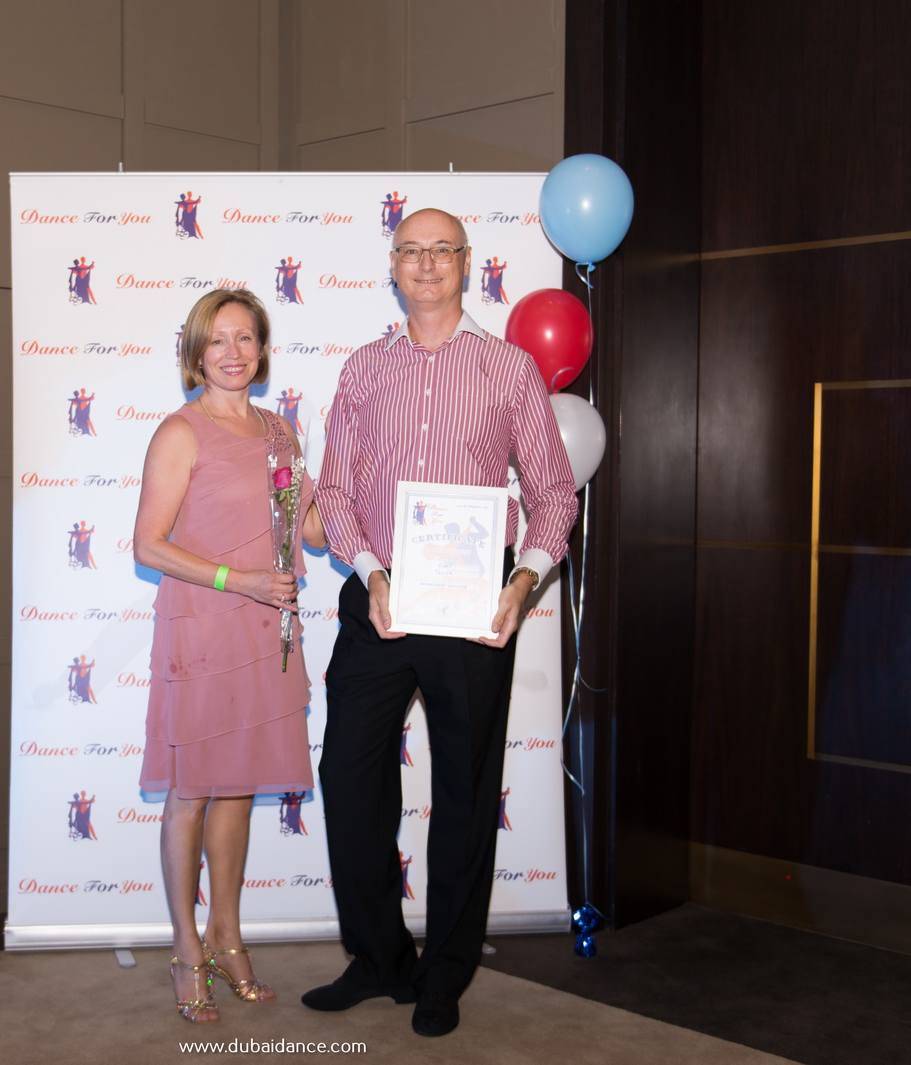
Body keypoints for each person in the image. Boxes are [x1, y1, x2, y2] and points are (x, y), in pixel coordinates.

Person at [304, 208, 579, 1037]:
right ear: (393, 265)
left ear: (466, 262)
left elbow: (554, 492)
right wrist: (371, 570)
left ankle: (444, 971)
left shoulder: (509, 369)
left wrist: (523, 581)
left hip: (473, 605)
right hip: (378, 596)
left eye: (442, 251)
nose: (426, 264)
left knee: (464, 787)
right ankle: (377, 957)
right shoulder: (364, 368)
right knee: (350, 778)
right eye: (411, 251)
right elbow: (335, 490)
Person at [134, 288, 326, 1024]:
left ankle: (228, 933)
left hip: (265, 631)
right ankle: (186, 945)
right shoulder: (179, 432)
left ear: (263, 349)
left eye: (245, 337)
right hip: (205, 627)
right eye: (218, 339)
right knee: (192, 791)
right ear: (196, 351)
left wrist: (371, 502)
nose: (233, 352)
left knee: (238, 788)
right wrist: (236, 579)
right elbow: (148, 545)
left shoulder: (280, 431)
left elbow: (310, 530)